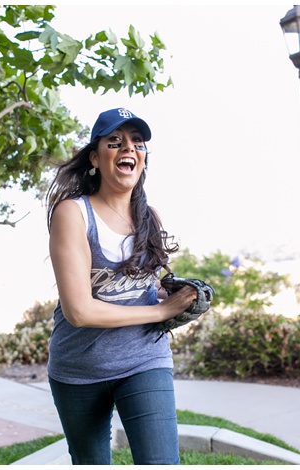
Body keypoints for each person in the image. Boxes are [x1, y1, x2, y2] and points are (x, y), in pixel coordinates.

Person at [45, 108, 198, 465]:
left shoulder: (149, 217)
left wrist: (173, 296)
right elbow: (79, 311)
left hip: (144, 358)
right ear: (96, 159)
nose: (128, 148)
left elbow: (142, 287)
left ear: (143, 160)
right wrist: (162, 310)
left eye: (137, 143)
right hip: (79, 370)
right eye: (114, 142)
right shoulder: (73, 213)